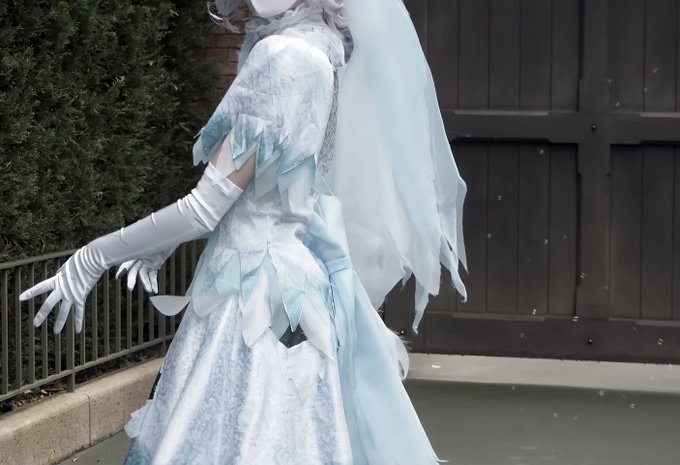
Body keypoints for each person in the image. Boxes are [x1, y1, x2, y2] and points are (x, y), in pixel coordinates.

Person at [20, 0, 468, 463]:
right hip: (295, 290)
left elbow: (205, 208)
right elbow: (277, 189)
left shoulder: (282, 57)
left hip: (248, 298)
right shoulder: (322, 53)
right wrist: (163, 244)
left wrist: (93, 256)